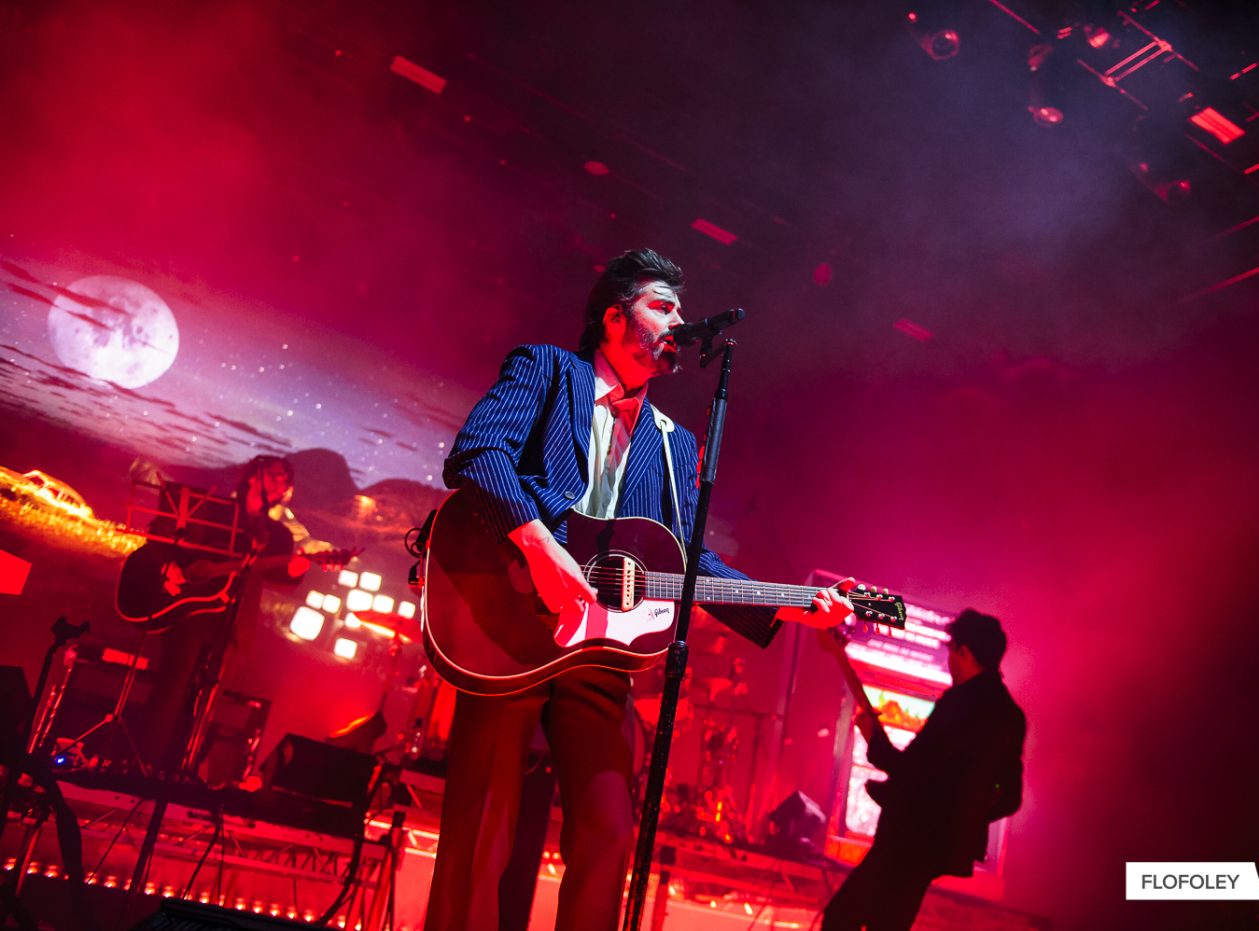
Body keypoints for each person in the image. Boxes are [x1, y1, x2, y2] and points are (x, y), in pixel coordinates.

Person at [425, 248, 855, 931]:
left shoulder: (674, 442)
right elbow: (478, 452)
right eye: (663, 305)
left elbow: (688, 559)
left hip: (599, 654)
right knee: (483, 825)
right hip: (506, 620)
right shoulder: (546, 370)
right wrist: (540, 549)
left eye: (681, 309)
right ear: (612, 318)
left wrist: (793, 605)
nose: (679, 319)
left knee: (608, 834)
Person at [822, 609, 1027, 931]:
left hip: (907, 838)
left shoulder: (960, 703)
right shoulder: (1011, 717)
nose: (950, 664)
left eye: (952, 653)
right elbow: (1010, 799)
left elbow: (910, 770)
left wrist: (873, 741)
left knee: (841, 919)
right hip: (939, 848)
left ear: (965, 651)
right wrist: (964, 815)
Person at [134, 455, 326, 776]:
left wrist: (296, 571)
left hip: (236, 623)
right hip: (191, 613)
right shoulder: (213, 510)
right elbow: (160, 536)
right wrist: (169, 566)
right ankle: (144, 763)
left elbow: (282, 579)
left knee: (209, 698)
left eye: (287, 480)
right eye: (276, 475)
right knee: (174, 685)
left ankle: (181, 768)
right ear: (252, 476)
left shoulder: (278, 535)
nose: (283, 483)